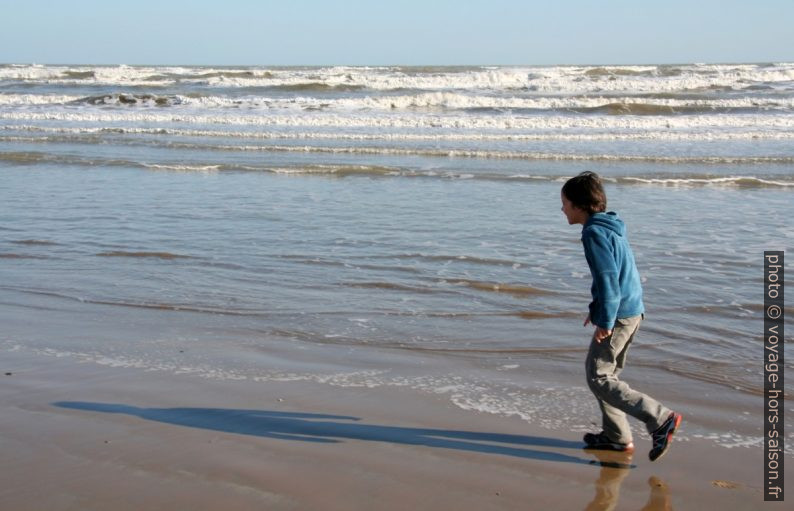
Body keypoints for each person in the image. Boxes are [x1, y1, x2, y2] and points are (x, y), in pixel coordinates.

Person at [560, 171, 682, 462]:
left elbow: (607, 279)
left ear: (579, 205)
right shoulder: (610, 225)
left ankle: (660, 417)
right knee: (606, 375)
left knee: (599, 376)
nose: (562, 208)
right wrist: (597, 309)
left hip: (620, 314)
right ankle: (616, 438)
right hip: (633, 310)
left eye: (564, 202)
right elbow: (615, 276)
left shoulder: (593, 232)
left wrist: (605, 319)